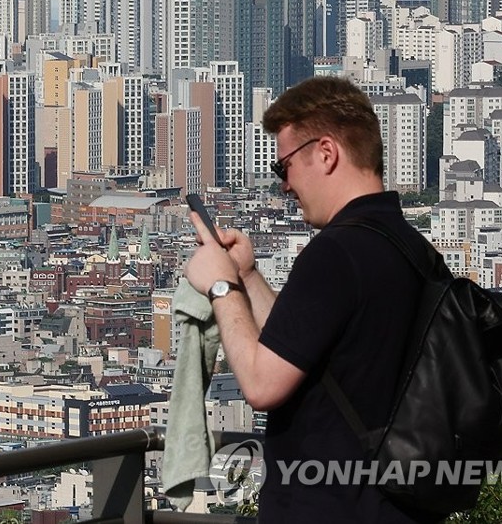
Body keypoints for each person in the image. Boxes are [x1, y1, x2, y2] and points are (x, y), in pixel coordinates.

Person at [184, 77, 442, 523]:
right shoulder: (413, 249)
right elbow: (298, 347)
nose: (284, 185)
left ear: (326, 153)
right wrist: (246, 275)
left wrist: (221, 287)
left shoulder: (335, 254)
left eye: (283, 166)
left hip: (329, 507)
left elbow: (261, 385)